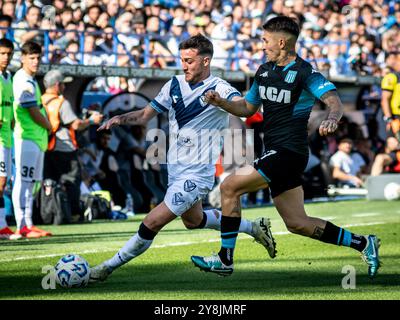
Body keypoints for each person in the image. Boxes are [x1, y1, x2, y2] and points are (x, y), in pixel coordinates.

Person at [191, 16, 381, 279]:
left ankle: (225, 259)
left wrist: (332, 118)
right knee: (297, 223)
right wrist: (221, 102)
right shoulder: (263, 71)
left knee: (229, 186)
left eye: (265, 40)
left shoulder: (305, 73)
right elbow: (247, 108)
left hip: (289, 152)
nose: (262, 44)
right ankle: (363, 242)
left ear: (281, 42)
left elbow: (333, 101)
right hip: (277, 152)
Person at [89, 34, 276, 282]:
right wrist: (119, 119)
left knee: (152, 221)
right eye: (182, 60)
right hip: (175, 171)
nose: (184, 65)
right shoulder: (174, 84)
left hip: (197, 175)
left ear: (206, 61)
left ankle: (104, 269)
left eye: (189, 60)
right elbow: (145, 115)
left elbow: (244, 107)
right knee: (194, 220)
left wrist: (220, 101)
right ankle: (254, 227)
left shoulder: (219, 88)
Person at [42, 69, 103, 222]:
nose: (64, 87)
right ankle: (74, 214)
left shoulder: (40, 99)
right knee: (71, 182)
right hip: (65, 148)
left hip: (46, 147)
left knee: (49, 182)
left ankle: (48, 214)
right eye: (63, 84)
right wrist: (91, 121)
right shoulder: (62, 102)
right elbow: (76, 125)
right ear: (57, 85)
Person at [12, 41, 53, 238]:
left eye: (38, 58)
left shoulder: (31, 79)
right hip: (26, 137)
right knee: (23, 181)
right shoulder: (22, 79)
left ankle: (28, 223)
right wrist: (48, 125)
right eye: (32, 58)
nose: (36, 62)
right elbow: (31, 109)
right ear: (22, 58)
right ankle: (21, 225)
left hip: (36, 139)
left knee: (32, 183)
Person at [0, 38, 22, 240]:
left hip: (7, 136)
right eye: (2, 53)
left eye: (9, 54)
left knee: (3, 182)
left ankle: (2, 226)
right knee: (1, 181)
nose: (6, 57)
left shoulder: (8, 77)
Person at [381, 52, 400, 142]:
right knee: (394, 143)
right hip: (396, 116)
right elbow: (385, 99)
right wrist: (389, 119)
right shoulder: (391, 77)